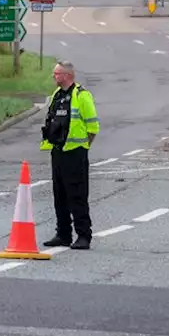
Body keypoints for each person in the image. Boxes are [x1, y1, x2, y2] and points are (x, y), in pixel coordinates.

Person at [40, 60, 100, 250]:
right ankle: (63, 234)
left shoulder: (82, 96)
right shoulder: (57, 95)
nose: (53, 76)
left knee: (77, 195)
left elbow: (93, 127)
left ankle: (84, 235)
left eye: (57, 73)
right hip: (58, 152)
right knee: (60, 195)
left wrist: (83, 147)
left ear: (68, 76)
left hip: (75, 153)